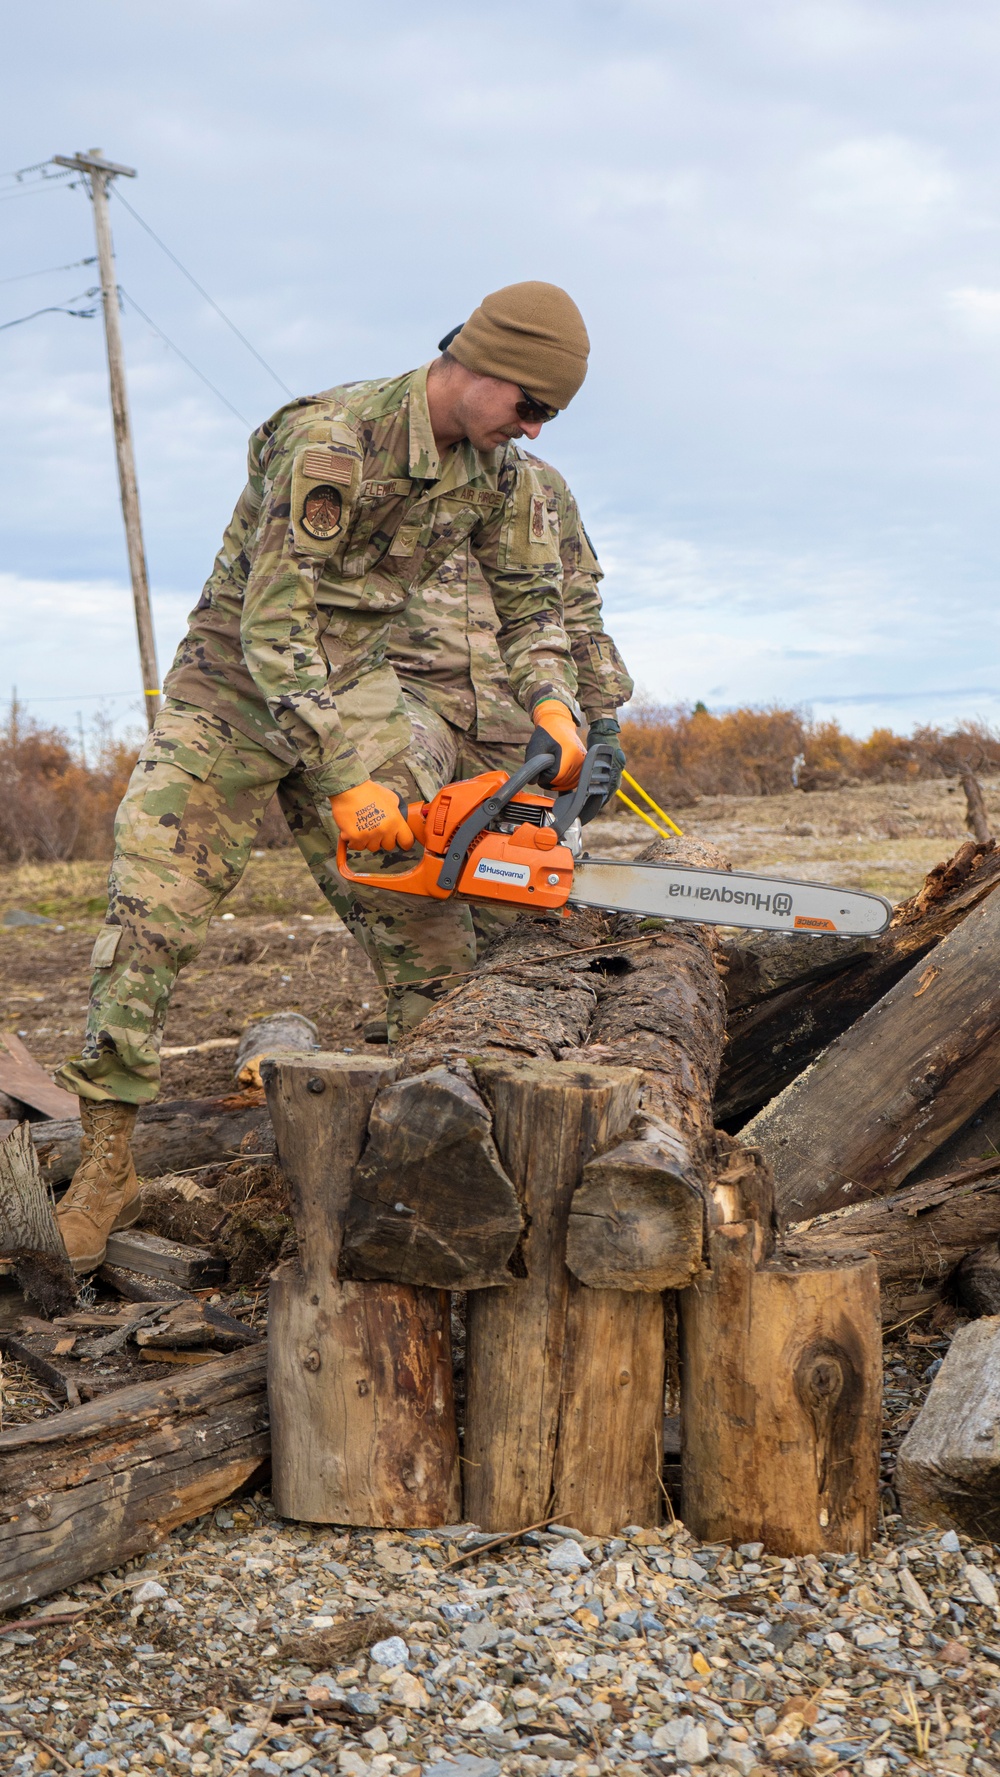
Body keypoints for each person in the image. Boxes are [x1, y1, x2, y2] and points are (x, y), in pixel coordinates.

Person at [54, 281, 593, 1272]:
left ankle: (436, 1162)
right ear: (476, 362)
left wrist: (554, 701)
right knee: (148, 918)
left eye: (548, 416)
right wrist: (348, 772)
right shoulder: (332, 442)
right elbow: (275, 625)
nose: (534, 427)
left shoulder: (495, 474)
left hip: (358, 690)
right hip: (233, 692)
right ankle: (106, 1158)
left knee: (428, 918)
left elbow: (530, 607)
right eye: (530, 405)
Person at [291, 443, 632, 1039]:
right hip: (402, 696)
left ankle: (520, 1046)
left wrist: (602, 718)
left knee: (524, 905)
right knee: (394, 839)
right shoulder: (385, 466)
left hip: (517, 710)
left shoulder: (542, 488)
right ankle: (426, 1038)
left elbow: (576, 605)